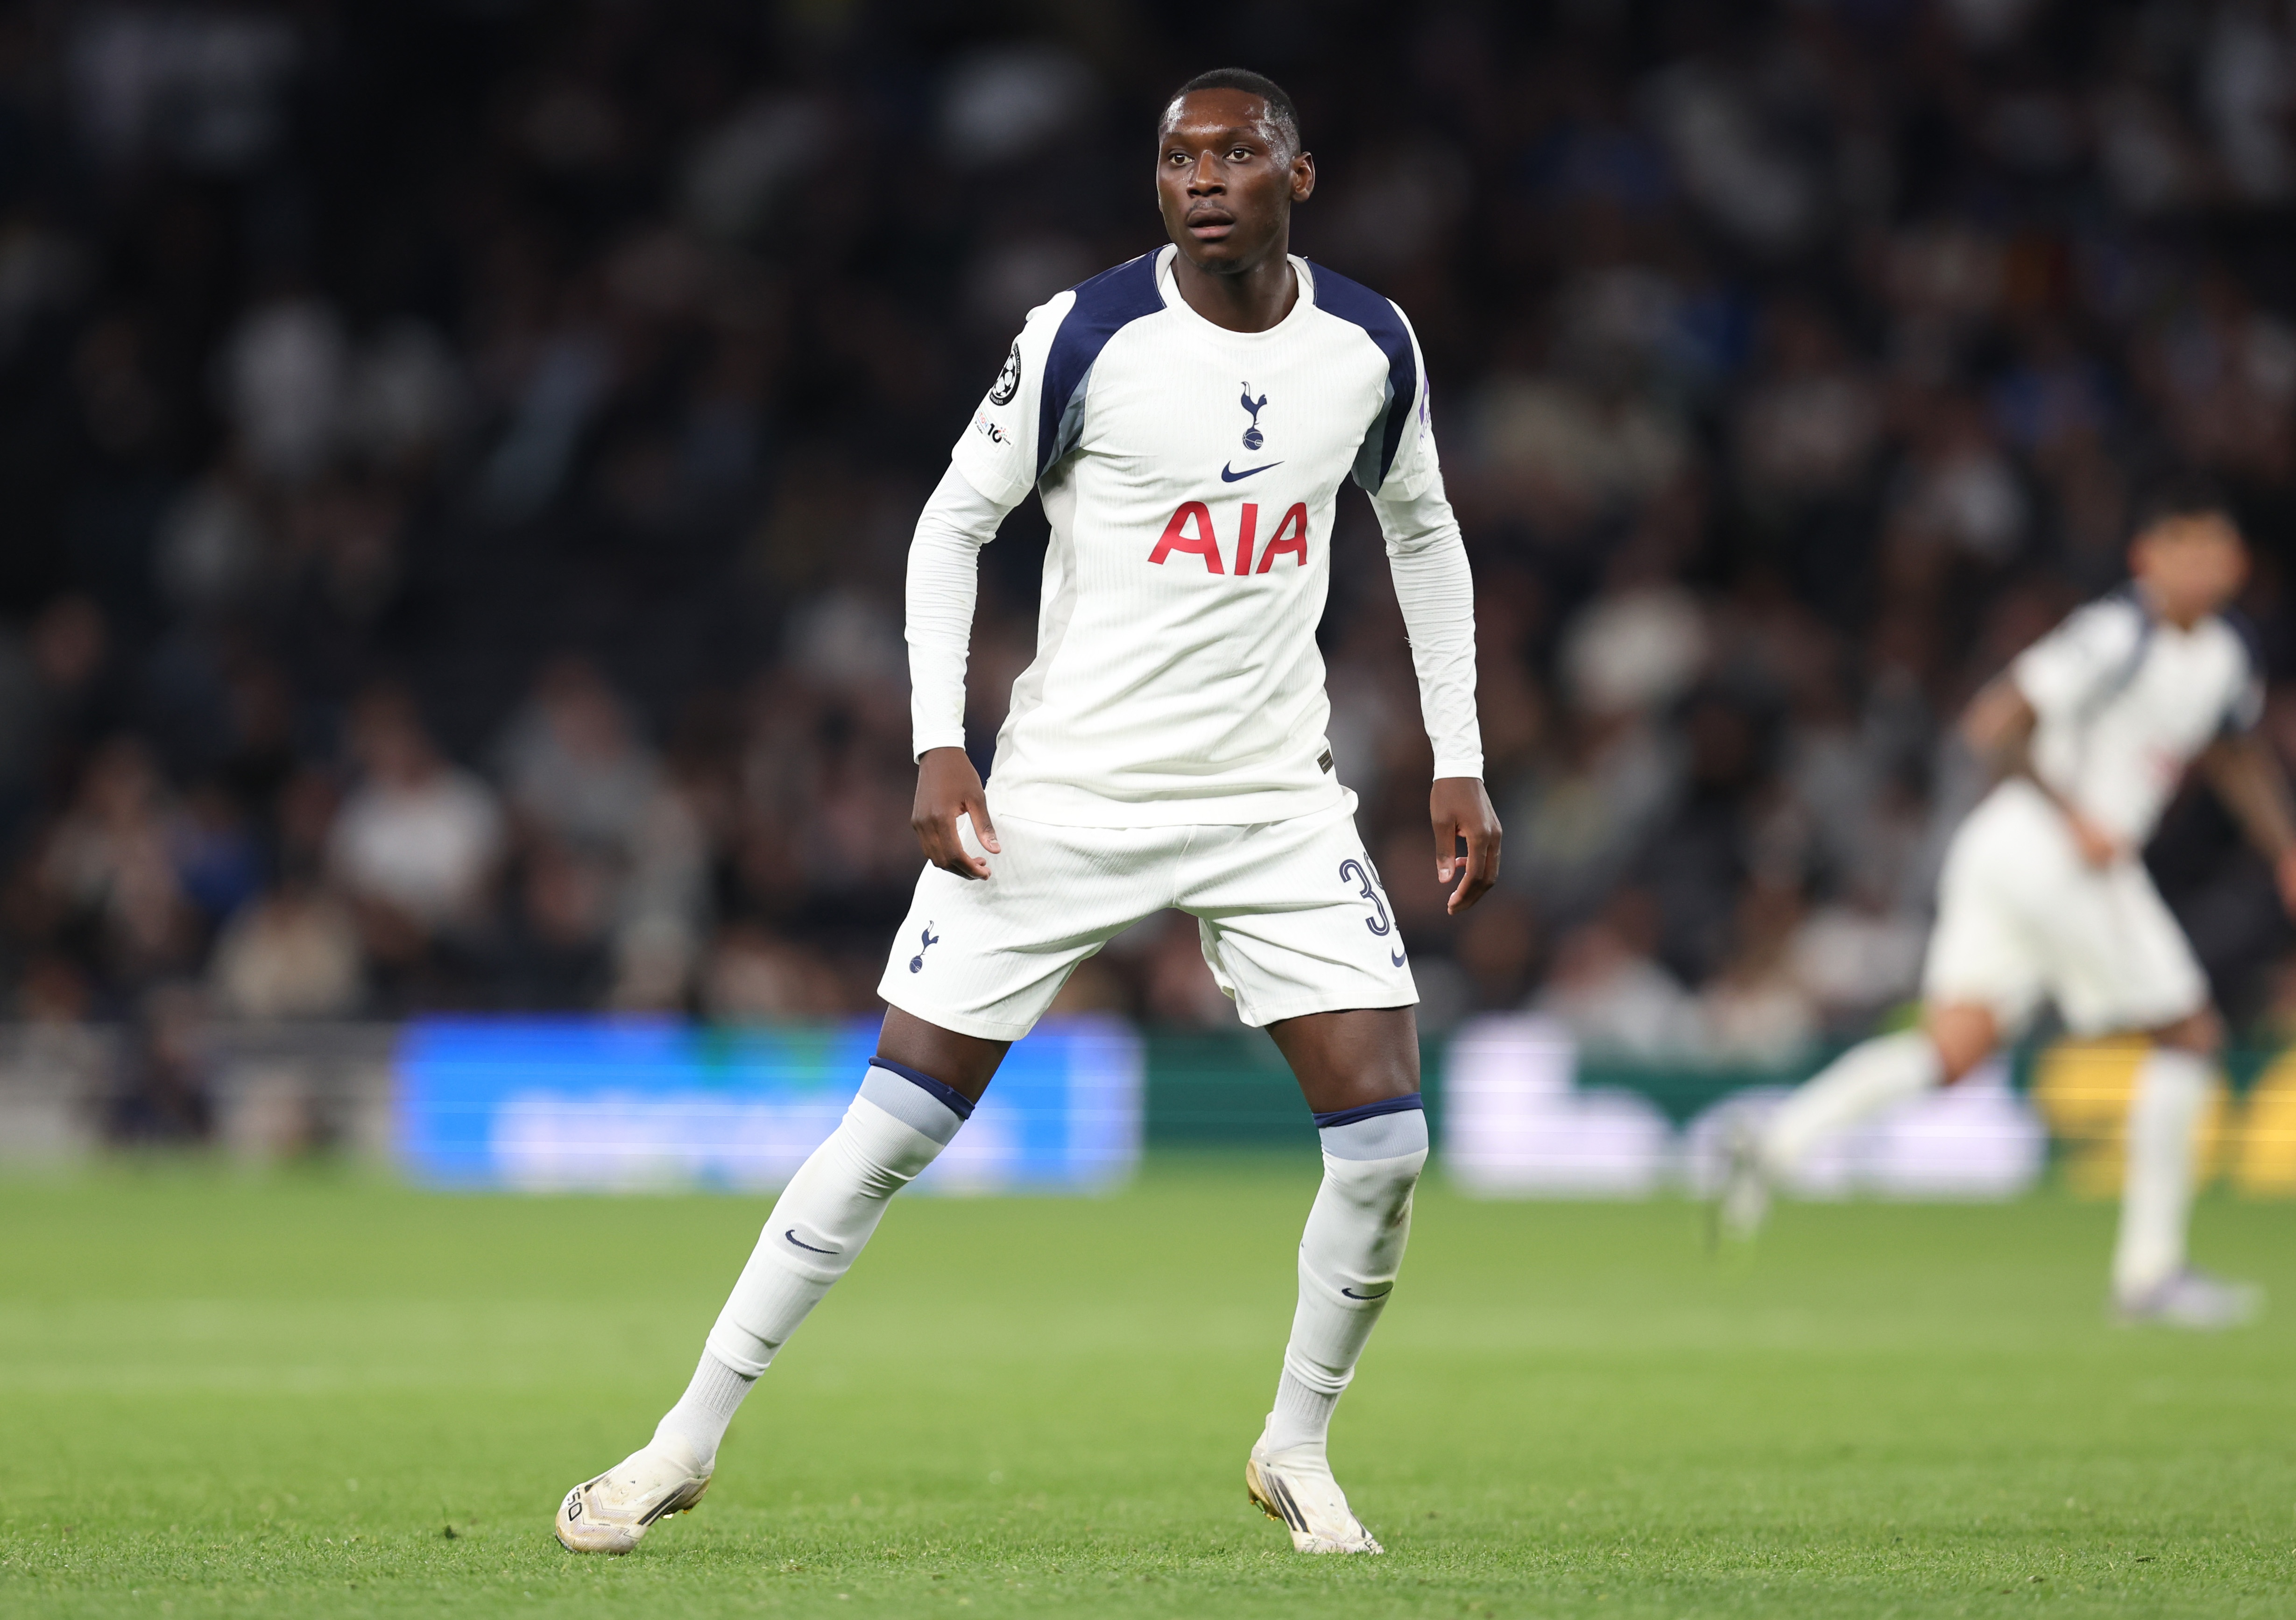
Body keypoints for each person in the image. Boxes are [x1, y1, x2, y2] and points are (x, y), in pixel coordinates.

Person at [554, 68, 1500, 1556]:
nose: (1201, 180)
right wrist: (939, 743)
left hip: (1269, 799)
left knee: (1384, 1145)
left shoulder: (1367, 343)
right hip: (1062, 792)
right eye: (1177, 158)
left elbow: (1424, 529)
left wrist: (1458, 754)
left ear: (1297, 177)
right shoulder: (1084, 333)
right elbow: (950, 521)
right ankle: (679, 1440)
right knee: (887, 1129)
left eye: (1234, 155)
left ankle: (1295, 1443)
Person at [1716, 481, 2296, 1329]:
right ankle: (2149, 1275)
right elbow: (1994, 722)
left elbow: (2233, 753)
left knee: (1953, 1048)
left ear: (2236, 563)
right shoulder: (2114, 633)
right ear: (2146, 557)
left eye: (2215, 550)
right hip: (2049, 852)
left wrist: (2282, 847)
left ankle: (1771, 1143)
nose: (2202, 566)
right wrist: (2076, 814)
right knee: (2189, 1035)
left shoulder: (2224, 654)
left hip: (2003, 855)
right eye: (2185, 548)